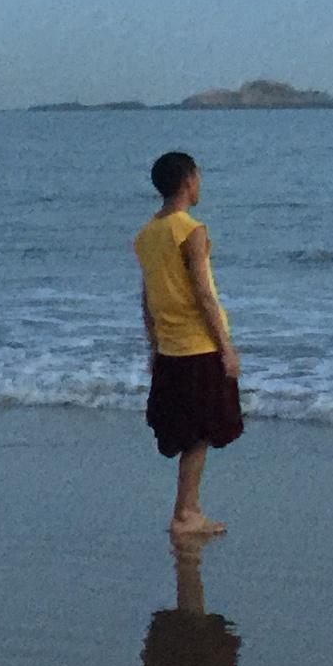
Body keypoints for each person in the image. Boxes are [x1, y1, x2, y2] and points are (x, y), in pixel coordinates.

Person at [134, 149, 242, 540]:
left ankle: (189, 508)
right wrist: (226, 346)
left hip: (170, 347)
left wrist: (152, 347)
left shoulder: (147, 234)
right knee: (200, 433)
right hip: (198, 345)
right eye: (197, 176)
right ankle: (185, 512)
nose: (199, 183)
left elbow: (146, 299)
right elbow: (203, 294)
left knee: (191, 432)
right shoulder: (190, 230)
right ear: (188, 181)